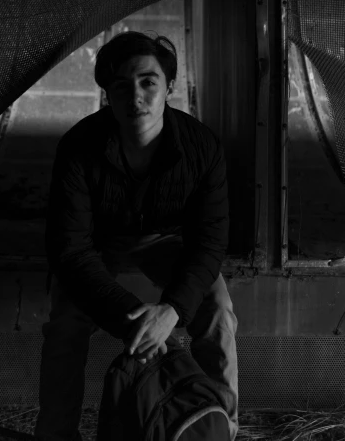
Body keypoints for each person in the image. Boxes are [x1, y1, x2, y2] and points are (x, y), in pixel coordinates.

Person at [34, 31, 238, 441]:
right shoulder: (78, 146)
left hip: (167, 241)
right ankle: (55, 434)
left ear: (170, 87)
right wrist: (134, 319)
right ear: (107, 93)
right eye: (121, 86)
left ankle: (220, 428)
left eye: (149, 82)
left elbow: (210, 242)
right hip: (98, 245)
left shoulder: (201, 147)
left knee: (217, 311)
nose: (136, 96)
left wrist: (171, 311)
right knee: (65, 321)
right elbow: (70, 251)